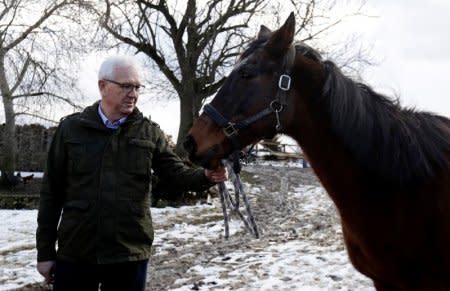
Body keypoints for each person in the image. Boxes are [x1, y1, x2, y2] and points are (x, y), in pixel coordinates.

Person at [36, 55, 227, 291]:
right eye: (126, 86)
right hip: (77, 252)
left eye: (137, 87)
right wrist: (45, 252)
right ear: (102, 86)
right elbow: (51, 193)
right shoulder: (71, 130)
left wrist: (205, 177)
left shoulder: (149, 133)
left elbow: (175, 174)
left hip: (128, 254)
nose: (133, 93)